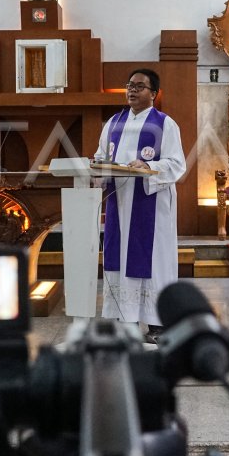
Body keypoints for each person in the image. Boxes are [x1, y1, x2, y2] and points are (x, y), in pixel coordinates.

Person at [94, 68, 186, 342]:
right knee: (120, 258)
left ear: (154, 94)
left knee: (154, 261)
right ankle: (126, 319)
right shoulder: (112, 123)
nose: (132, 90)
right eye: (129, 85)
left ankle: (158, 323)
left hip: (151, 206)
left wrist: (147, 165)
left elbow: (176, 164)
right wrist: (98, 168)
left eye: (139, 86)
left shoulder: (164, 124)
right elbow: (100, 156)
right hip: (119, 204)